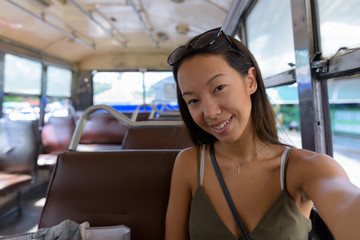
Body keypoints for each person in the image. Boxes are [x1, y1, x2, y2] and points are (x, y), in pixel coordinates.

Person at [164, 27, 360, 240]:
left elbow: (345, 203)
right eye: (193, 100)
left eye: (219, 88)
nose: (210, 112)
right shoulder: (189, 164)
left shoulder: (307, 167)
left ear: (250, 81)